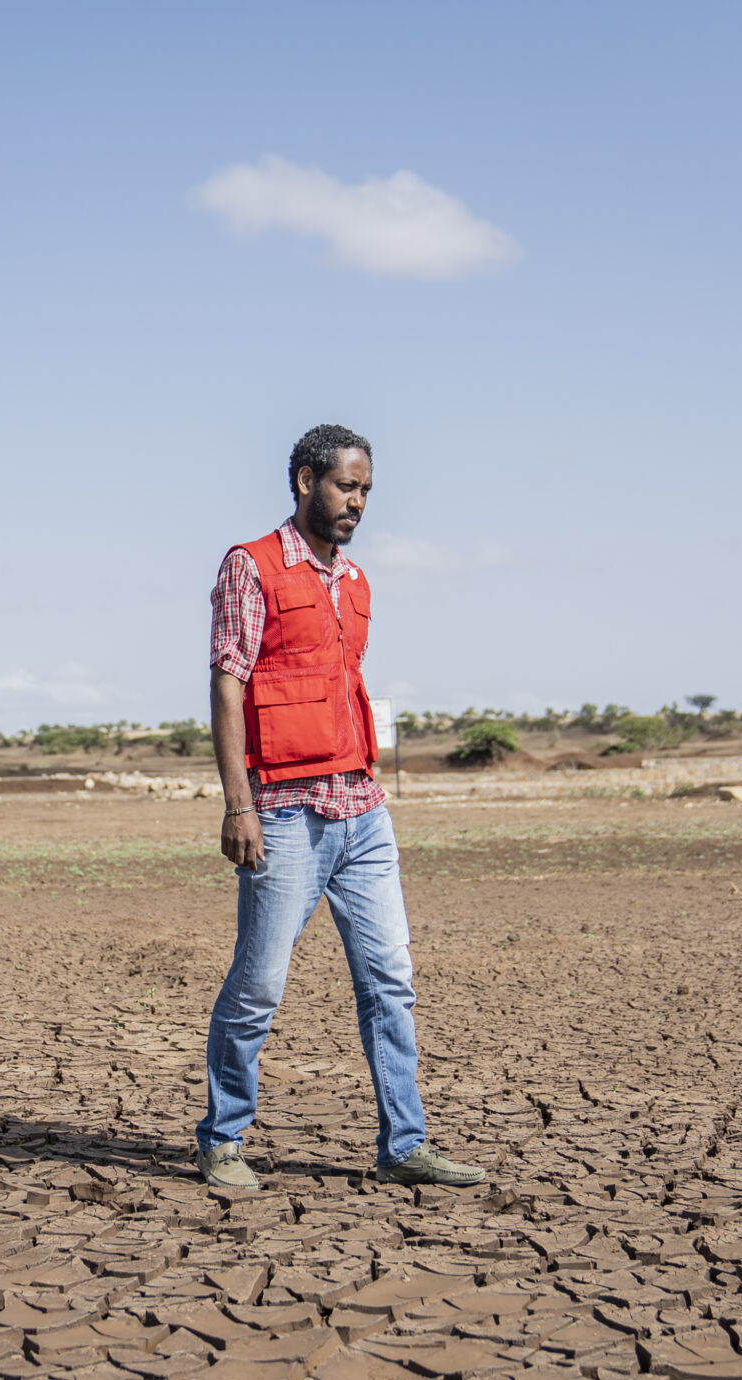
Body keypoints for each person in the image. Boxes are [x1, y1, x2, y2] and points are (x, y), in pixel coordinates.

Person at [195, 424, 486, 1191]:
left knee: (389, 978)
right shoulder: (250, 567)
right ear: (303, 481)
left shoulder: (354, 583)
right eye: (344, 486)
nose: (356, 502)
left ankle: (405, 1145)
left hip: (362, 810)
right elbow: (229, 683)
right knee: (258, 984)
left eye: (364, 490)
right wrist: (238, 804)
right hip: (284, 814)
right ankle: (223, 1139)